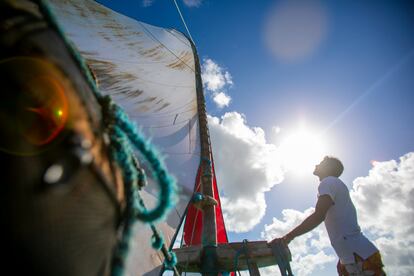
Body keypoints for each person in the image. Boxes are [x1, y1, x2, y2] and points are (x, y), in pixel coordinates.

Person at [271, 156, 386, 276]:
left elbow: (319, 215)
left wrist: (288, 237)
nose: (316, 165)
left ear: (328, 168)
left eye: (321, 163)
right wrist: (343, 260)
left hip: (358, 256)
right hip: (355, 255)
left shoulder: (327, 182)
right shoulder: (334, 183)